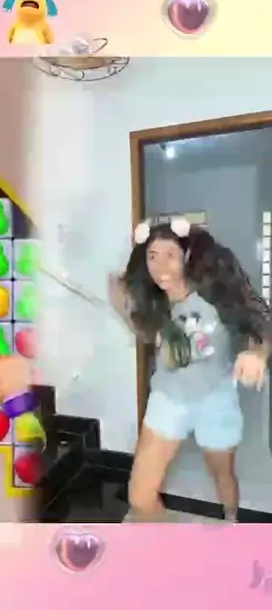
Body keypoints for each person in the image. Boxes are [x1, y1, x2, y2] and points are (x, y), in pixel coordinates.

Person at [108, 216, 270, 523]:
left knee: (222, 476)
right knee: (140, 497)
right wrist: (121, 307)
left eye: (170, 255)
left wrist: (257, 353)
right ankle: (176, 543)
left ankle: (231, 518)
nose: (160, 267)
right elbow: (146, 333)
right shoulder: (152, 300)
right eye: (152, 256)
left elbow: (260, 326)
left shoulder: (214, 293)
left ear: (187, 255)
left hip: (216, 399)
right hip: (168, 399)